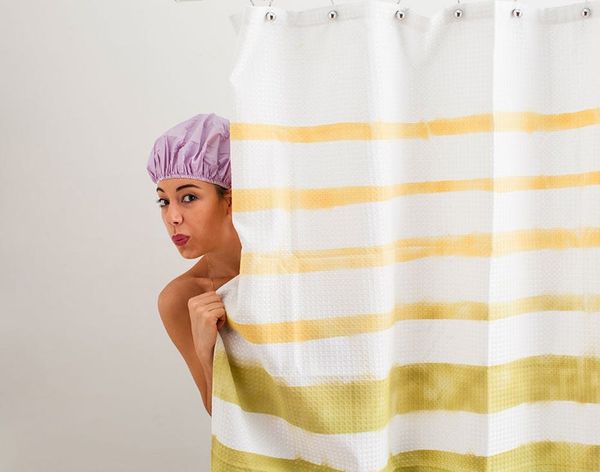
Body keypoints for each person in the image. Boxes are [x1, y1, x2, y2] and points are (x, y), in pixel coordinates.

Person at [146, 113, 242, 416]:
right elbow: (219, 416)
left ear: (230, 200)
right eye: (164, 201)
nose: (172, 218)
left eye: (188, 197)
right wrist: (206, 351)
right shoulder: (179, 299)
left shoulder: (288, 269)